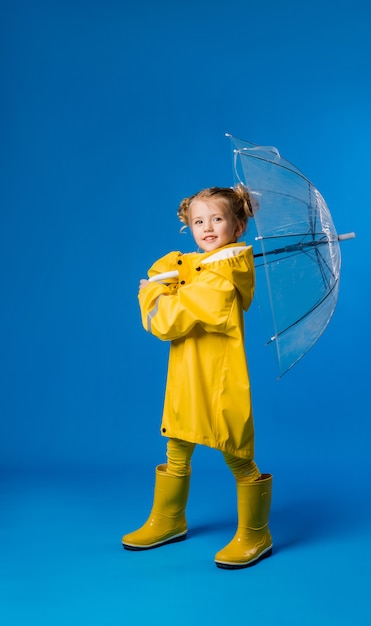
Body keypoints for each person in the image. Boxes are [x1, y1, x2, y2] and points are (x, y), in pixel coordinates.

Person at [122, 184, 273, 569]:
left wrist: (155, 294)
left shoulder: (224, 276)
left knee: (236, 453)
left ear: (238, 226)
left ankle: (256, 533)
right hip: (187, 372)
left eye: (217, 219)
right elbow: (165, 273)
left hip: (218, 379)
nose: (206, 228)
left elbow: (167, 321)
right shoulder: (199, 266)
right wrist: (170, 282)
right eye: (197, 221)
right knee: (176, 445)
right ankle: (169, 519)